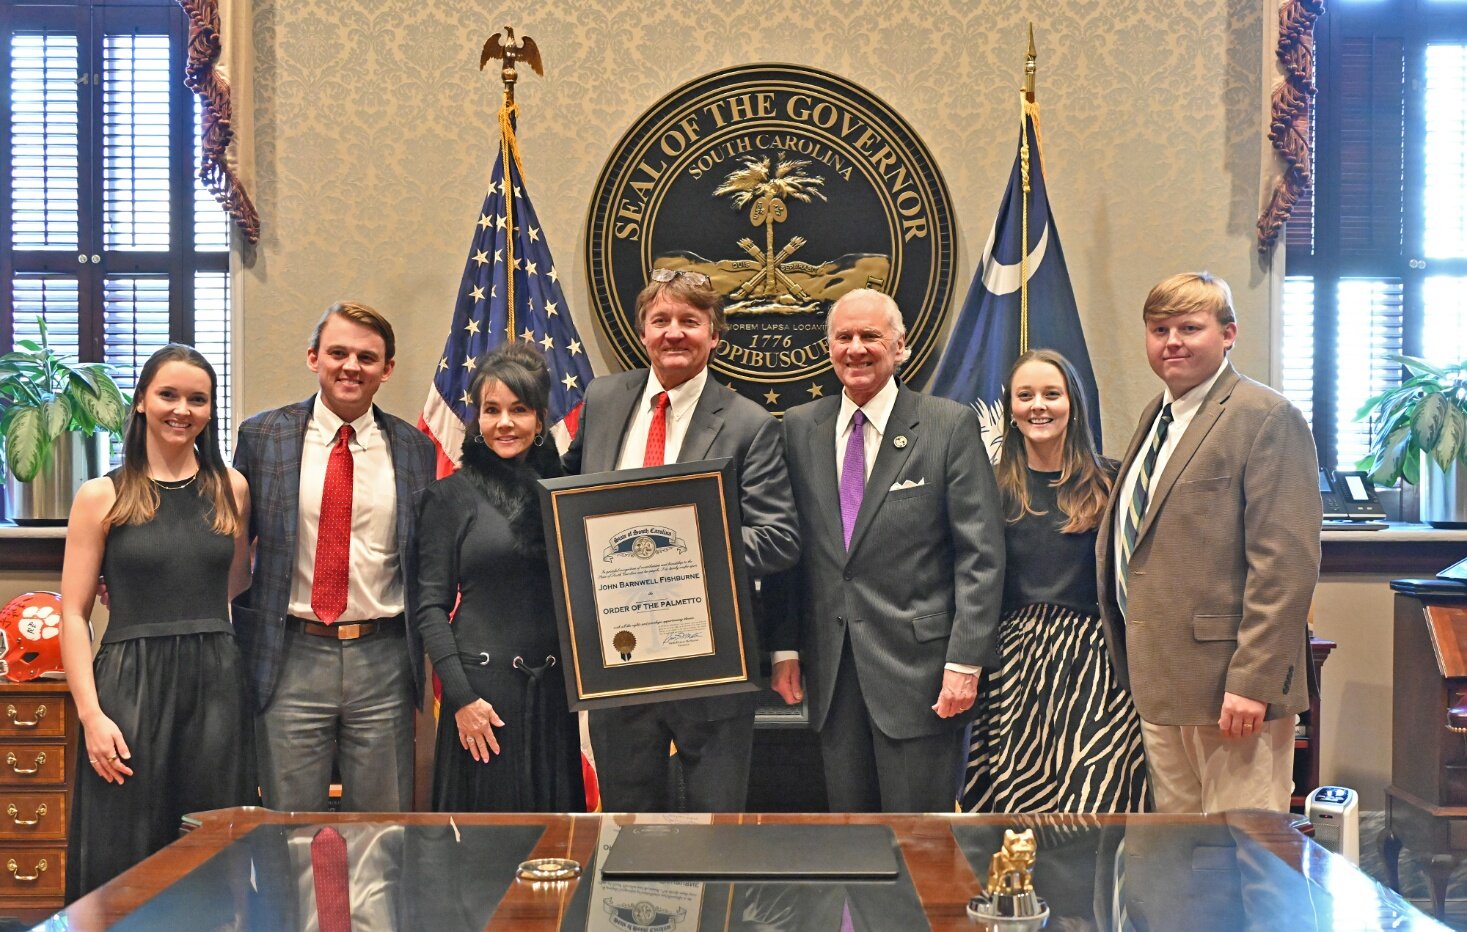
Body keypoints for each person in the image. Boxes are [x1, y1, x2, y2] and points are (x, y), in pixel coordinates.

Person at [561, 268, 800, 812]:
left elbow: (780, 539)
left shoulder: (748, 423)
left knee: (716, 837)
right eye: (660, 320)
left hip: (709, 663)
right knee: (626, 832)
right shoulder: (602, 400)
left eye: (690, 321)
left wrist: (682, 553)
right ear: (642, 331)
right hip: (616, 663)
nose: (674, 332)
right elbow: (567, 505)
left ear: (714, 335)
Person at [1097, 272, 1321, 813]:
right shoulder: (1157, 417)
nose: (1172, 341)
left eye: (1189, 327)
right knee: (1185, 859)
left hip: (1231, 692)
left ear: (1228, 334)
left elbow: (1285, 565)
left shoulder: (1265, 417)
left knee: (1246, 858)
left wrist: (1253, 682)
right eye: (1159, 328)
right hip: (1163, 684)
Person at [774, 288, 1004, 812]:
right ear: (829, 347)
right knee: (851, 841)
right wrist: (784, 647)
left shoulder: (948, 425)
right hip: (831, 673)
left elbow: (981, 555)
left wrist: (965, 660)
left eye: (870, 337)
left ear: (899, 347)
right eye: (843, 337)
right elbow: (793, 551)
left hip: (921, 673)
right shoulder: (799, 428)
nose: (856, 348)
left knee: (920, 844)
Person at [60, 345, 255, 898]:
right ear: (142, 401)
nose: (182, 409)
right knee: (124, 847)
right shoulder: (101, 495)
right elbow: (72, 613)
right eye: (168, 395)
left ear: (210, 410)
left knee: (213, 846)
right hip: (129, 685)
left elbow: (234, 583)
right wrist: (91, 715)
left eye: (197, 399)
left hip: (216, 683)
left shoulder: (231, 489)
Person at [233, 301, 436, 812]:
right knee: (287, 829)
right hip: (290, 654)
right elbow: (224, 537)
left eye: (367, 358)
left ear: (387, 369)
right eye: (338, 352)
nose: (351, 366)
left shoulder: (415, 449)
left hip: (383, 658)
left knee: (383, 830)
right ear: (313, 358)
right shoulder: (263, 438)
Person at [963, 349, 1148, 813]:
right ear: (1010, 408)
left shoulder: (1114, 480)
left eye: (1052, 394)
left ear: (1073, 403)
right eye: (1025, 396)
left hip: (1094, 666)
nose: (1038, 406)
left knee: (1095, 800)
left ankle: (1093, 890)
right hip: (1011, 666)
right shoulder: (986, 484)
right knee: (1016, 804)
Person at [416, 343, 583, 811]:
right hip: (481, 700)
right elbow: (428, 605)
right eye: (491, 410)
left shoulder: (564, 495)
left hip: (553, 700)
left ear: (541, 418)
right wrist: (461, 698)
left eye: (519, 410)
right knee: (482, 860)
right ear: (477, 418)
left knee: (555, 857)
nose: (504, 423)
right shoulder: (449, 497)